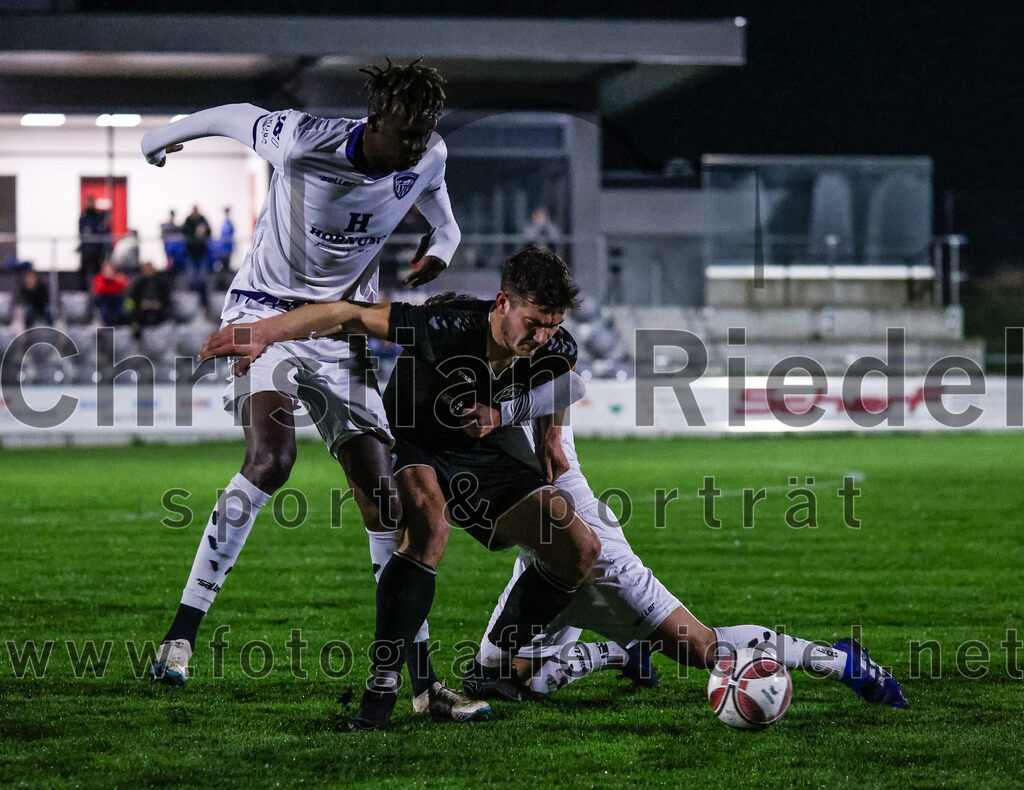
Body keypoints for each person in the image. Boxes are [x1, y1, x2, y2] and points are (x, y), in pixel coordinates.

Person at [140, 59, 468, 720]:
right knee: (271, 461)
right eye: (401, 136)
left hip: (341, 331)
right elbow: (233, 117)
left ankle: (424, 685)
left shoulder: (426, 153)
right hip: (263, 316)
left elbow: (446, 221)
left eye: (418, 138)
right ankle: (180, 636)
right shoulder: (303, 139)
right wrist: (163, 137)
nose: (408, 151)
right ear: (375, 120)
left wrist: (440, 253)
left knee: (387, 503)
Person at [199, 248, 598, 730]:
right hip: (417, 445)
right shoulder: (444, 326)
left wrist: (552, 434)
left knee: (579, 549)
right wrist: (261, 331)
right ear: (502, 303)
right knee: (430, 527)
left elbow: (563, 377)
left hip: (482, 457)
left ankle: (493, 662)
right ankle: (381, 690)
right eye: (534, 321)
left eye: (552, 324)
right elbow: (350, 315)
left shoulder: (555, 346)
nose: (542, 336)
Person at [476, 420, 909, 710]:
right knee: (522, 684)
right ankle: (615, 652)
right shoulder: (501, 374)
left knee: (704, 649)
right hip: (540, 556)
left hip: (593, 549)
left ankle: (843, 662)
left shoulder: (523, 377)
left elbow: (557, 360)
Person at [128, 261, 172, 336]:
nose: (149, 270)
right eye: (146, 268)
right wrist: (139, 307)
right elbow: (131, 299)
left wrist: (158, 305)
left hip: (159, 313)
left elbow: (167, 299)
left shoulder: (161, 282)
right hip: (142, 313)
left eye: (150, 268)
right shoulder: (138, 283)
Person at [181, 206, 211, 307]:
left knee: (202, 278)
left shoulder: (203, 220)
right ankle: (192, 303)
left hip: (202, 253)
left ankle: (203, 302)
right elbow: (184, 232)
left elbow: (209, 232)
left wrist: (204, 231)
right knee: (191, 278)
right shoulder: (188, 220)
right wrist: (195, 232)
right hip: (191, 254)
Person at [78, 197, 109, 291]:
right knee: (83, 274)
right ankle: (83, 294)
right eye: (89, 202)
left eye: (92, 202)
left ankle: (98, 292)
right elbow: (83, 232)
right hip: (86, 251)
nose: (90, 204)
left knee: (98, 275)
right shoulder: (83, 219)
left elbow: (102, 231)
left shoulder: (99, 217)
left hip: (97, 251)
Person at [92, 260, 129, 326]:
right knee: (105, 312)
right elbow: (100, 289)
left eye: (110, 269)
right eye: (106, 270)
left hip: (116, 299)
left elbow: (123, 286)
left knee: (122, 312)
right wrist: (107, 280)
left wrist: (113, 280)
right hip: (103, 299)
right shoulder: (99, 278)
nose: (108, 272)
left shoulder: (118, 277)